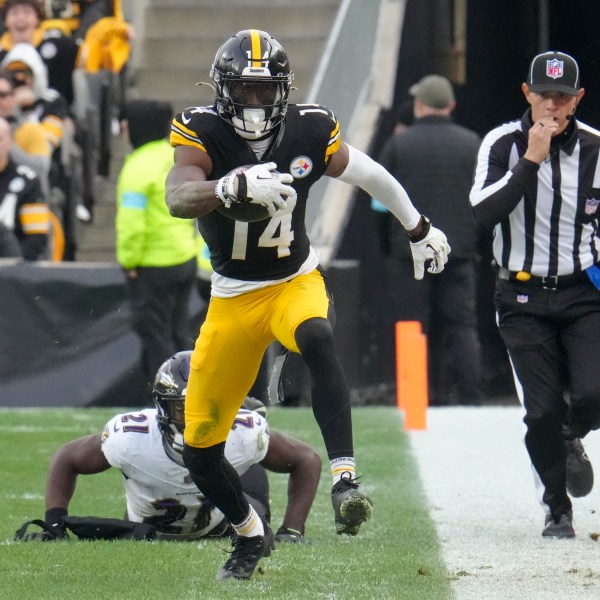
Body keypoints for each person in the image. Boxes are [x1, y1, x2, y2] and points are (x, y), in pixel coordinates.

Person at [165, 29, 450, 581]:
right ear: (223, 90)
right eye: (243, 91)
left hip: (292, 279)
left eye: (263, 90)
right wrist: (227, 188)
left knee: (317, 333)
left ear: (283, 90)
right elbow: (179, 195)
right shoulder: (200, 129)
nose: (253, 103)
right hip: (231, 297)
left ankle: (344, 478)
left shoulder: (310, 127)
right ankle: (250, 536)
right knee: (199, 450)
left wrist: (417, 226)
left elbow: (368, 173)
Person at [470, 50, 598, 538]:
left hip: (584, 290)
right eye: (543, 94)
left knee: (594, 394)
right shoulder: (502, 143)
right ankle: (556, 506)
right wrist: (530, 160)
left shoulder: (595, 149)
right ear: (526, 93)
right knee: (541, 409)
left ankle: (570, 438)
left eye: (562, 96)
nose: (552, 105)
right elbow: (482, 214)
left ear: (577, 99)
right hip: (521, 295)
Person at [43, 351, 322, 543]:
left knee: (251, 486)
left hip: (222, 524)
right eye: (183, 409)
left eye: (203, 407)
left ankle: (248, 421)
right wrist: (55, 521)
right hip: (148, 527)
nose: (193, 420)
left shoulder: (243, 433)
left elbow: (306, 459)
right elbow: (67, 458)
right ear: (162, 407)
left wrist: (292, 530)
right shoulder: (130, 437)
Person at [374, 75, 484, 406]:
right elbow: (485, 201)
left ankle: (413, 400)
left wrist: (389, 245)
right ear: (450, 105)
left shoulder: (398, 145)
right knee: (462, 325)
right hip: (459, 251)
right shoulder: (472, 144)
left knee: (412, 325)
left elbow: (379, 206)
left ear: (419, 105)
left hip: (408, 253)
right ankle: (471, 400)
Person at [116, 99, 198, 397]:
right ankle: (191, 395)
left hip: (153, 263)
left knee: (156, 336)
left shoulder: (137, 166)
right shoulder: (175, 157)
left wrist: (129, 261)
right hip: (184, 258)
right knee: (178, 333)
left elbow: (132, 223)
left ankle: (165, 400)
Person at [0, 0, 79, 105]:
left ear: (37, 19)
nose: (21, 18)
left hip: (54, 110)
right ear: (6, 21)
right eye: (14, 13)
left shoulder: (60, 45)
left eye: (27, 12)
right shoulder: (1, 52)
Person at [0, 115, 48, 259]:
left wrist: (14, 265)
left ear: (11, 142)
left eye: (0, 139)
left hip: (10, 270)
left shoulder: (28, 181)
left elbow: (36, 237)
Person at [0, 70, 50, 186]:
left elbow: (41, 168)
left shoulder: (29, 128)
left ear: (13, 98)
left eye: (2, 95)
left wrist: (8, 147)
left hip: (21, 192)